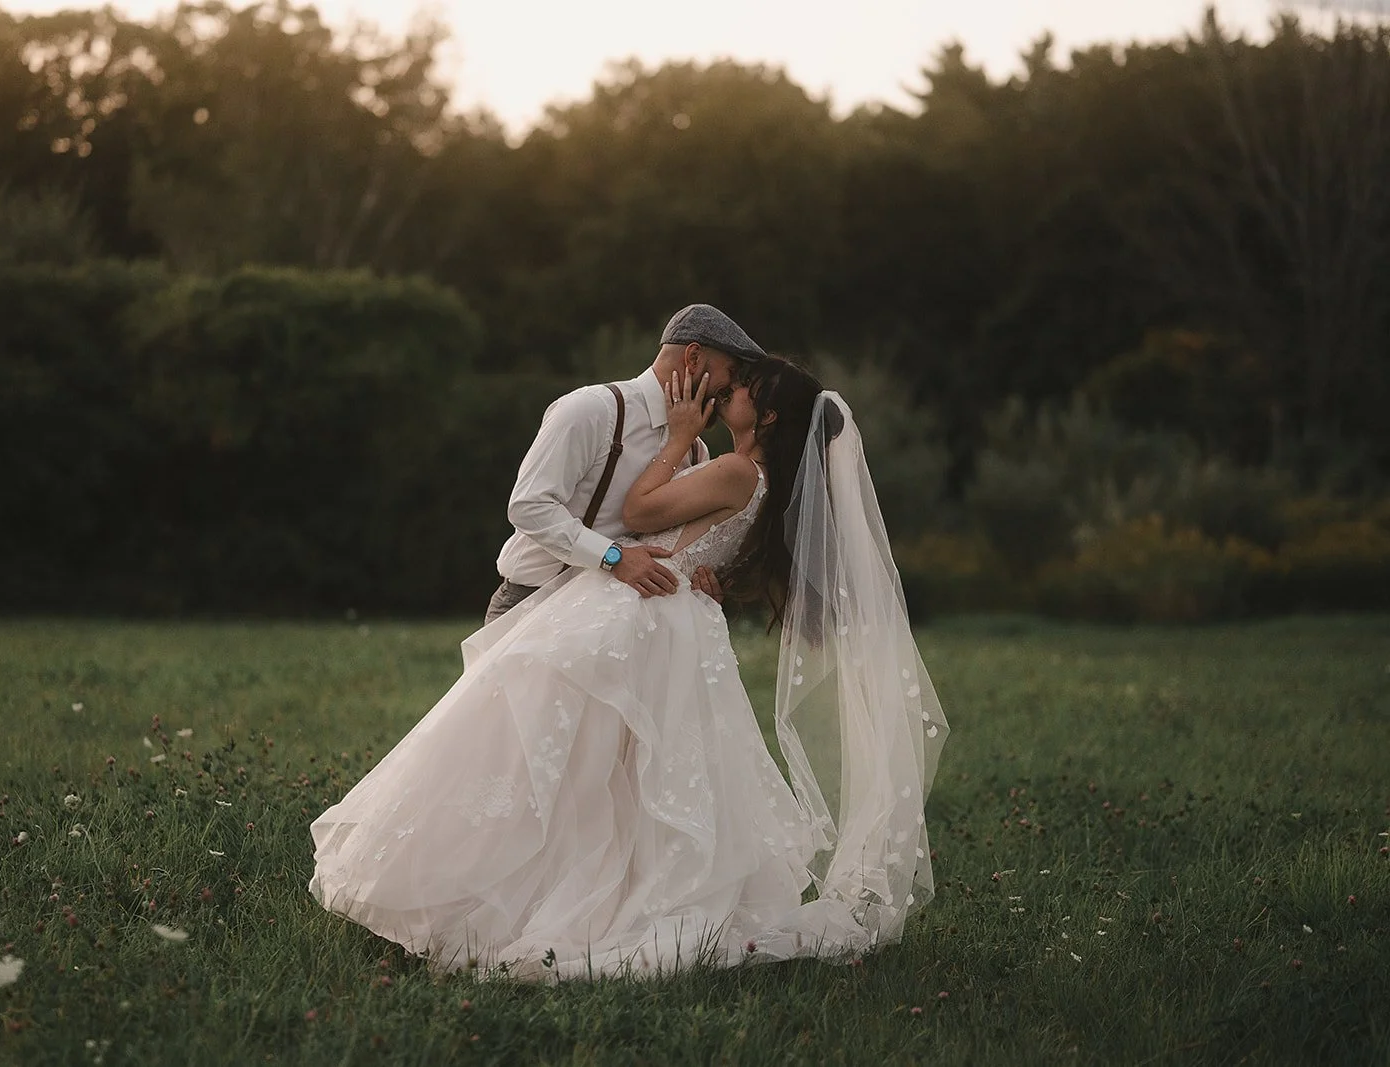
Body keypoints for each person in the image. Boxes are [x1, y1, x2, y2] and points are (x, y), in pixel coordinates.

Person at [309, 356, 949, 981]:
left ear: (770, 414)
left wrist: (676, 440)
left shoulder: (732, 468)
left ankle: (520, 891)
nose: (729, 392)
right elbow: (724, 548)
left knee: (563, 749)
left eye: (745, 389)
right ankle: (565, 881)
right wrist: (712, 571)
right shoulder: (761, 479)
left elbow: (641, 513)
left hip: (638, 608)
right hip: (674, 615)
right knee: (618, 763)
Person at [485, 303, 767, 625]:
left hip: (612, 622)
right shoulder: (591, 410)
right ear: (692, 358)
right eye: (729, 373)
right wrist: (612, 557)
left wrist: (700, 588)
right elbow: (528, 505)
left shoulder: (695, 451)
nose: (729, 389)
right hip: (530, 604)